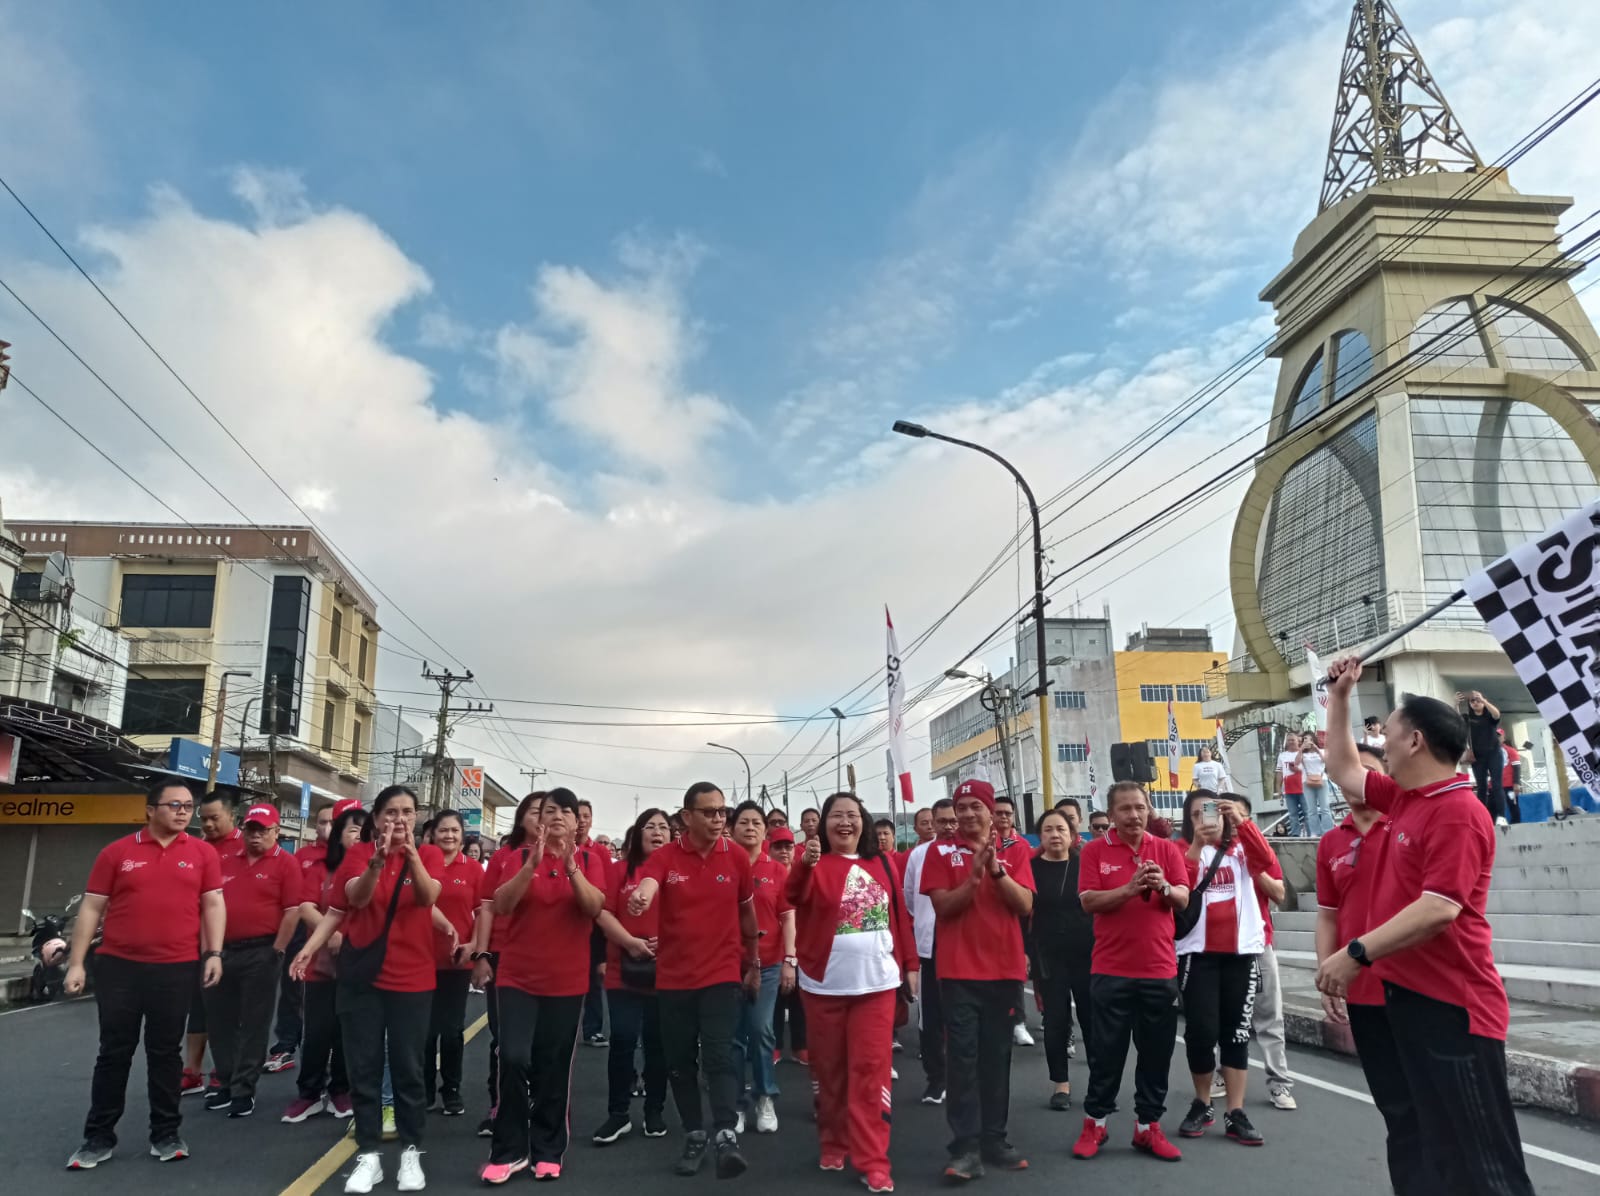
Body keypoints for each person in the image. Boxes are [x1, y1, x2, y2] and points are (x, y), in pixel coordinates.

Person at [1318, 658, 1535, 1196]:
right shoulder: (1407, 800)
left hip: (1455, 1007)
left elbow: (1441, 907)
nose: (1380, 742)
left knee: (1483, 1163)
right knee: (1436, 1151)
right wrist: (1340, 695)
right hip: (1412, 1000)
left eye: (1387, 732)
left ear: (1414, 740)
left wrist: (1356, 952)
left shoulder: (1457, 812)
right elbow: (1344, 769)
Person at [64, 781, 225, 1169]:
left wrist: (214, 953)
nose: (184, 812)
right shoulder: (117, 852)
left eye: (189, 806)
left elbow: (213, 903)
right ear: (150, 810)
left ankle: (166, 1134)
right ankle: (98, 1138)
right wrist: (76, 962)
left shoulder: (202, 853)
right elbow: (91, 908)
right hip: (119, 968)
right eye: (174, 805)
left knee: (165, 1053)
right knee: (114, 1053)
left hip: (175, 968)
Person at [291, 784, 443, 1194]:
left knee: (410, 1067)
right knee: (364, 1068)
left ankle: (411, 1151)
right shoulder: (358, 855)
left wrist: (410, 856)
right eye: (391, 812)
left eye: (408, 812)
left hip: (412, 979)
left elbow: (429, 897)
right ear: (376, 819)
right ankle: (369, 1155)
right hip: (362, 979)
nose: (399, 819)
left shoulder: (427, 854)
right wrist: (307, 950)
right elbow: (348, 903)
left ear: (417, 817)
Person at [1315, 743, 1438, 1193]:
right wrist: (1327, 973)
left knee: (1435, 1107)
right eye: (1346, 776)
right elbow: (1327, 913)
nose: (1352, 784)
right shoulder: (1331, 841)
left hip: (1418, 988)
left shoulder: (1409, 824)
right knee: (1396, 1108)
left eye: (1363, 772)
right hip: (1364, 993)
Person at [786, 792, 918, 1194]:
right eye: (836, 816)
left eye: (853, 815)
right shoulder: (811, 864)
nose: (845, 822)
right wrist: (804, 867)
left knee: (869, 1072)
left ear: (863, 822)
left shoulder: (881, 863)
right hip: (823, 985)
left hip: (876, 985)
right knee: (829, 1071)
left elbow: (899, 915)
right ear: (823, 825)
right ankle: (833, 1140)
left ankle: (873, 1160)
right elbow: (790, 898)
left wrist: (910, 964)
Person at [628, 782, 761, 1179]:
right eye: (709, 812)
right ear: (687, 817)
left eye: (723, 811)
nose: (719, 819)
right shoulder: (667, 856)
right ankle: (695, 1132)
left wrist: (752, 963)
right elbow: (649, 882)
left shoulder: (736, 857)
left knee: (719, 1056)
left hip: (720, 975)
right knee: (680, 1062)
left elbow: (748, 917)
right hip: (673, 979)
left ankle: (724, 1134)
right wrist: (642, 896)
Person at [477, 789, 608, 1184]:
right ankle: (509, 1150)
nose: (556, 818)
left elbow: (594, 907)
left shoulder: (589, 860)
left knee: (554, 1066)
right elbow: (500, 904)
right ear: (536, 820)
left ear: (576, 822)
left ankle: (548, 1149)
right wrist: (530, 864)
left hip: (566, 981)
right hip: (518, 977)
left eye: (565, 812)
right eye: (548, 811)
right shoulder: (514, 858)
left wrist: (571, 868)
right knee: (513, 1057)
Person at [919, 779, 1036, 1180]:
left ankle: (994, 1139)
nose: (967, 814)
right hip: (957, 973)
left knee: (996, 1058)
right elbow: (943, 907)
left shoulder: (1016, 850)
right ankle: (964, 1148)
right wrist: (971, 878)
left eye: (975, 806)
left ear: (991, 811)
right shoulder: (939, 851)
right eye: (961, 807)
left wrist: (995, 870)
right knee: (963, 1060)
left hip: (1003, 972)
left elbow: (1024, 904)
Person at [1072, 780, 1192, 1163]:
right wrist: (1129, 888)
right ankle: (1095, 1124)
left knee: (1156, 1055)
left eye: (1140, 807)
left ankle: (1148, 1128)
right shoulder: (1094, 851)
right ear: (1111, 813)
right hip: (1111, 969)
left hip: (1159, 969)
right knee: (1107, 1053)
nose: (1134, 814)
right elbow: (1089, 902)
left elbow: (1184, 897)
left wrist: (1164, 888)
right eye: (1124, 808)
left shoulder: (1167, 849)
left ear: (1148, 808)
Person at [1174, 791, 1279, 1147]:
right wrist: (1195, 847)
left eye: (1212, 811)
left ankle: (1235, 1112)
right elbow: (1179, 891)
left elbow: (1265, 860)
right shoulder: (1180, 851)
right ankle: (1202, 1103)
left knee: (1236, 1035)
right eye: (1196, 814)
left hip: (1241, 955)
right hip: (1196, 956)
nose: (1204, 818)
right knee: (1201, 1033)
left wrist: (1242, 821)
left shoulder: (1243, 848)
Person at [203, 803, 302, 1118]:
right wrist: (209, 951)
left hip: (262, 951)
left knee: (254, 1024)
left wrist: (279, 949)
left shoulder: (285, 863)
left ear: (275, 832)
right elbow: (207, 904)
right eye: (251, 829)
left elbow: (292, 911)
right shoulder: (224, 860)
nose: (256, 835)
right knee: (220, 1022)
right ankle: (226, 1082)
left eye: (263, 829)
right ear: (243, 830)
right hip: (221, 951)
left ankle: (244, 1089)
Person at [592, 807, 673, 1145]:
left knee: (658, 1045)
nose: (658, 832)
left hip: (668, 972)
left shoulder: (678, 872)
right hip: (622, 970)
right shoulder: (618, 871)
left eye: (664, 827)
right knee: (623, 1040)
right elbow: (602, 912)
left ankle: (654, 1110)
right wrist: (629, 942)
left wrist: (668, 941)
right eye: (650, 826)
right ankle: (618, 1114)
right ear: (637, 834)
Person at [282, 799, 365, 1124]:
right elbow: (305, 906)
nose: (357, 836)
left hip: (357, 965)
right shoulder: (321, 869)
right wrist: (329, 933)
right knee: (317, 1031)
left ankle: (341, 1090)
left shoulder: (371, 869)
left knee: (348, 1031)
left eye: (363, 830)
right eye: (352, 830)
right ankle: (309, 1093)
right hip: (321, 965)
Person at [472, 793, 546, 1137]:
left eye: (548, 812)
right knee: (503, 1039)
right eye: (535, 812)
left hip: (548, 961)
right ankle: (501, 1105)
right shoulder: (503, 856)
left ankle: (541, 1106)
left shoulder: (567, 857)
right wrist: (482, 954)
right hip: (505, 956)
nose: (542, 818)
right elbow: (487, 907)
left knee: (544, 1039)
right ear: (520, 818)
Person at [730, 801, 795, 1135]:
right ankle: (737, 1104)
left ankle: (765, 1097)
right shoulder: (724, 865)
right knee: (733, 1036)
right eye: (744, 822)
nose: (751, 827)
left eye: (757, 822)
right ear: (732, 828)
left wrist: (790, 959)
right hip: (728, 963)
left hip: (769, 963)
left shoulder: (777, 870)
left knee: (760, 1030)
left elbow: (787, 916)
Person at [1028, 807, 1094, 1113]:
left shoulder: (1086, 865)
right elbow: (1022, 915)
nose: (1055, 835)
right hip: (1048, 955)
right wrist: (1026, 953)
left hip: (1087, 953)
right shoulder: (1030, 868)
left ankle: (1099, 1084)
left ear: (1072, 836)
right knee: (1055, 1021)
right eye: (1048, 830)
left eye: (1061, 829)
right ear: (1040, 836)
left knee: (1093, 1020)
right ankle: (1061, 1085)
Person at [1231, 794, 1294, 1111]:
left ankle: (1279, 1083)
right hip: (1222, 946)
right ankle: (1220, 1074)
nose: (1232, 822)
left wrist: (1255, 869)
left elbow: (1280, 894)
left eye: (1239, 816)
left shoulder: (1261, 853)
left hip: (1258, 944)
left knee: (1269, 1016)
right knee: (1222, 1018)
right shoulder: (1209, 852)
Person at [267, 801, 337, 1075]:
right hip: (301, 930)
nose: (327, 827)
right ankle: (285, 1046)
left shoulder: (351, 855)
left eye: (332, 821)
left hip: (336, 932)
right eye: (321, 822)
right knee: (292, 990)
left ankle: (330, 1048)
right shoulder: (303, 855)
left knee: (330, 995)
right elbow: (294, 900)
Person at [183, 791, 244, 1098]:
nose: (207, 824)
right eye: (203, 818)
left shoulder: (247, 847)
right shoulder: (196, 849)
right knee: (198, 1010)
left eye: (214, 818)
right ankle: (192, 1072)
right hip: (196, 944)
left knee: (228, 1014)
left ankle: (226, 1071)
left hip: (235, 945)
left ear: (231, 816)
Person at [425, 809, 482, 1117]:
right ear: (432, 834)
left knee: (451, 1030)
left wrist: (475, 947)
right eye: (443, 830)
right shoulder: (420, 864)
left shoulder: (473, 869)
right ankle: (424, 1091)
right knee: (423, 1031)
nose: (448, 836)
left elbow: (483, 914)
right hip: (420, 960)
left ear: (462, 836)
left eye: (454, 831)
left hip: (457, 962)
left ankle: (451, 1090)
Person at [902, 797, 956, 1106]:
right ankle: (936, 1079)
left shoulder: (971, 851)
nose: (949, 826)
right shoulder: (918, 855)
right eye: (943, 821)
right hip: (929, 944)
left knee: (963, 1014)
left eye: (953, 820)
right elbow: (910, 897)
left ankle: (964, 1077)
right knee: (930, 1017)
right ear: (932, 824)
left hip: (964, 945)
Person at [990, 794, 1036, 1048]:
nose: (1003, 817)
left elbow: (1025, 889)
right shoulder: (984, 844)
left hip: (1017, 918)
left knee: (1016, 973)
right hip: (988, 920)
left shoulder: (1020, 848)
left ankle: (1018, 1022)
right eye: (998, 813)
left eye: (1008, 813)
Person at [1458, 689, 1508, 827]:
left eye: (1477, 700)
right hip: (1478, 757)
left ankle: (1502, 817)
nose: (1475, 703)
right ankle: (1482, 819)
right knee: (1481, 787)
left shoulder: (1489, 717)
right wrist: (1456, 704)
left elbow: (1497, 714)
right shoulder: (1468, 718)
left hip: (1494, 753)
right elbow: (1457, 721)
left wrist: (1484, 700)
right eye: (1472, 701)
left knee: (1497, 785)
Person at [1297, 737, 1335, 838]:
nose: (1308, 741)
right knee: (1311, 809)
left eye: (1310, 739)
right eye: (1305, 739)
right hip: (1306, 782)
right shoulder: (1302, 754)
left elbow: (1326, 761)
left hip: (1322, 780)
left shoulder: (1321, 751)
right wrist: (1301, 749)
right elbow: (1296, 763)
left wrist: (1317, 749)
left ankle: (1328, 831)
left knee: (1325, 808)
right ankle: (1315, 832)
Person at [1276, 732, 1306, 837]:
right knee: (1293, 814)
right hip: (1288, 789)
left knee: (1307, 812)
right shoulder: (1282, 756)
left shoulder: (1304, 753)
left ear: (1298, 741)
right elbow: (1279, 772)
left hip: (1303, 787)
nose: (1291, 742)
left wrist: (1297, 770)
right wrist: (1278, 789)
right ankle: (1295, 834)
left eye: (1293, 740)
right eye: (1289, 740)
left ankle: (1312, 833)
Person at [1500, 731, 1522, 825]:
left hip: (1509, 785)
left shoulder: (1511, 751)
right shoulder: (1490, 752)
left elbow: (1517, 768)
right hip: (1496, 786)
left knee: (1513, 805)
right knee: (1497, 806)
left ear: (1503, 738)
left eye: (1499, 736)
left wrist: (1516, 784)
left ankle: (1516, 825)